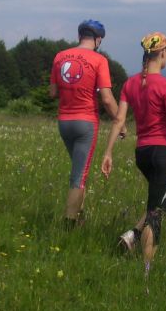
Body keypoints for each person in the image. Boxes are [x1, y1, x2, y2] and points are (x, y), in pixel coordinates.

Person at [101, 31, 166, 276]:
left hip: (143, 154)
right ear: (163, 53)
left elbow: (119, 120)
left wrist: (108, 152)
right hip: (163, 153)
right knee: (155, 211)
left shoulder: (130, 84)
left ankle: (133, 235)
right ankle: (146, 272)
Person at [50, 19, 120, 225]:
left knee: (80, 170)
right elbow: (107, 98)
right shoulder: (99, 60)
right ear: (98, 40)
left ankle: (79, 217)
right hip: (86, 122)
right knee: (79, 176)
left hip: (64, 121)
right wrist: (120, 121)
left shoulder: (60, 57)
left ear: (80, 35)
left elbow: (52, 92)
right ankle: (69, 224)